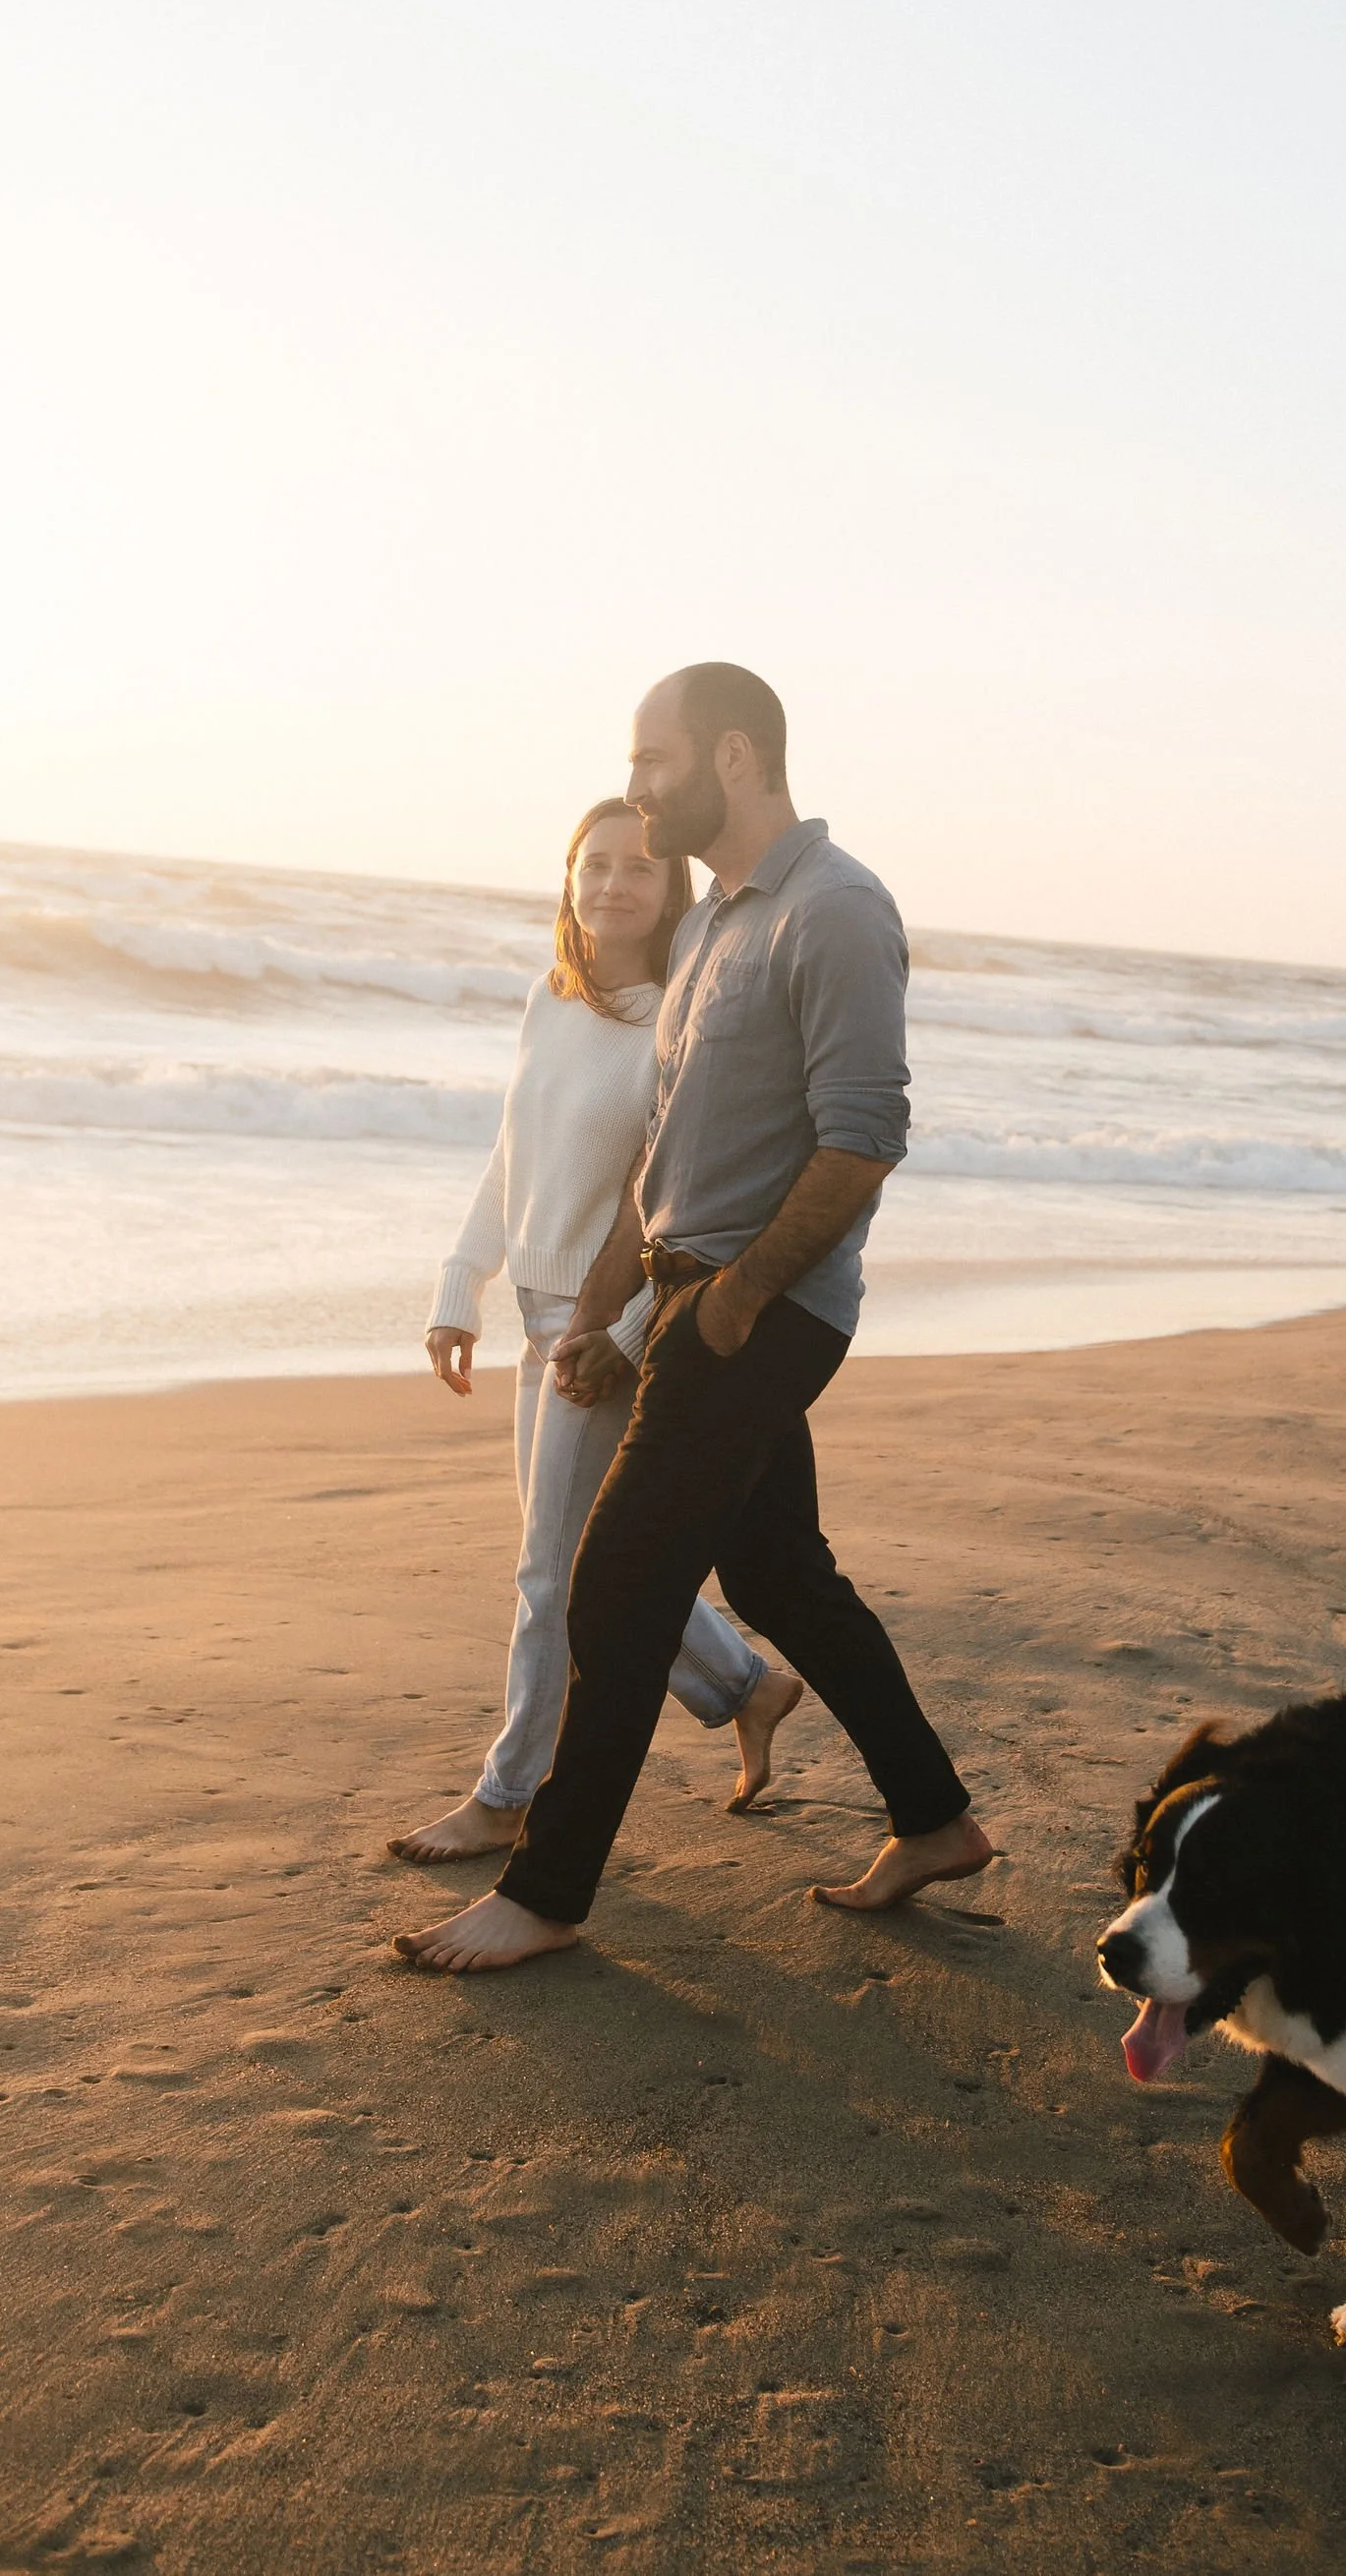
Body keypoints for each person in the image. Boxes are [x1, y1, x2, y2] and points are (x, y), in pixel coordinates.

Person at [395, 663, 990, 1971]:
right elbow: (664, 1153)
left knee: (616, 1579)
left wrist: (738, 1299)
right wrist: (610, 1301)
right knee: (778, 1572)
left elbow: (865, 1139)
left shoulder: (833, 911)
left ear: (730, 755)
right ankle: (935, 1815)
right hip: (684, 1297)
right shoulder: (716, 924)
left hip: (761, 1310)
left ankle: (548, 1890)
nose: (638, 782)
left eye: (651, 760)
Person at [386, 795, 802, 1865]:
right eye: (596, 864)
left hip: (607, 1327)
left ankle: (509, 1790)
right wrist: (457, 1280)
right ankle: (746, 1685)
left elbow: (672, 1195)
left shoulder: (681, 1016)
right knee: (579, 1559)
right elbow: (507, 1156)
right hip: (535, 1314)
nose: (615, 883)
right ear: (569, 878)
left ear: (673, 889)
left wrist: (614, 1326)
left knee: (549, 1572)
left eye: (639, 868)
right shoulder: (550, 999)